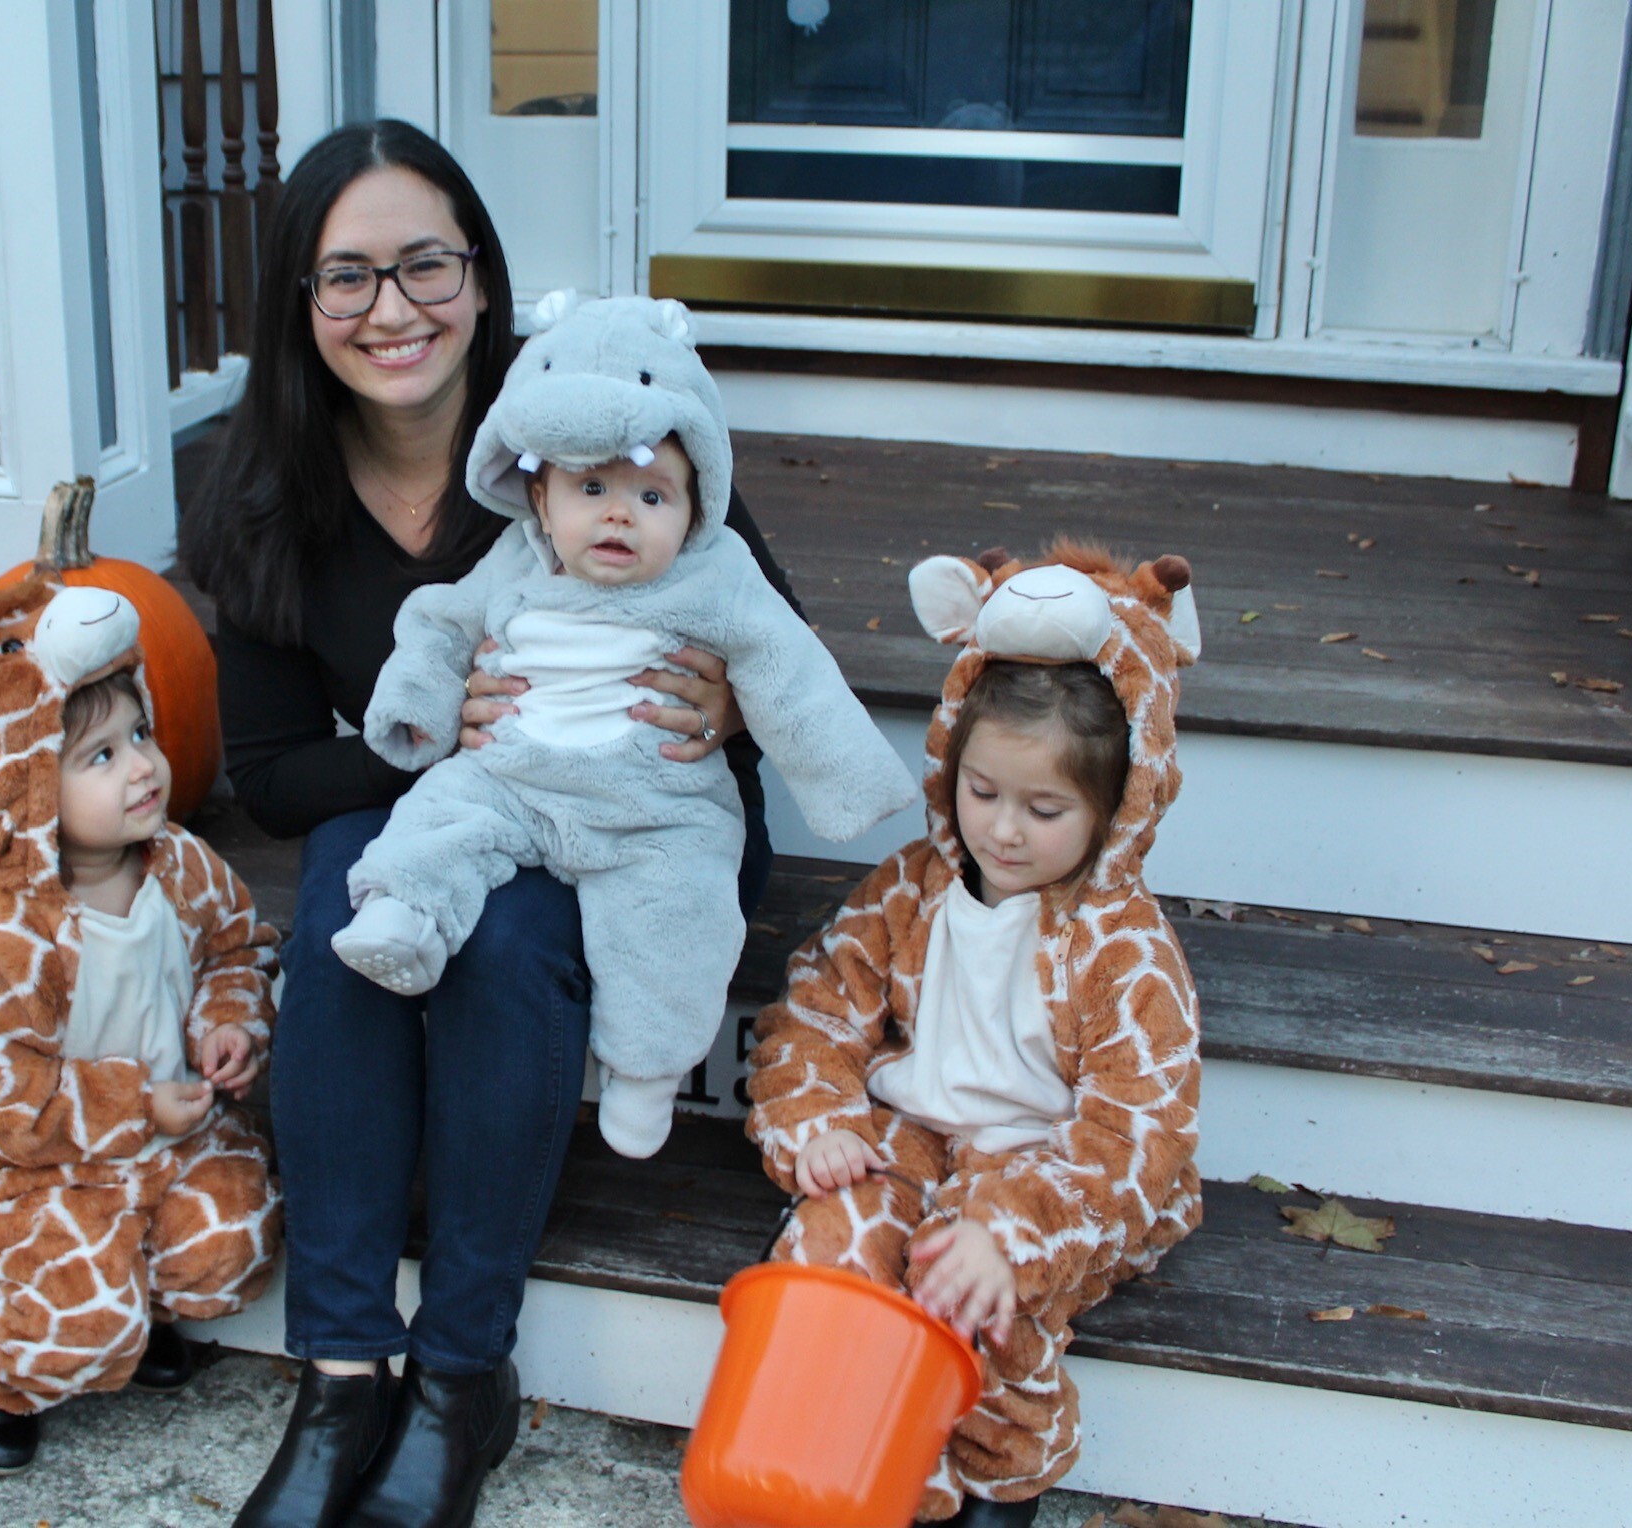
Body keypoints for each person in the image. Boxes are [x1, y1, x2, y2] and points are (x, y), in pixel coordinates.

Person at [180, 121, 801, 1528]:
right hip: (452, 809)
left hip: (645, 823)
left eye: (423, 266)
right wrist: (430, 742)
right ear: (298, 300)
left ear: (480, 272)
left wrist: (723, 698)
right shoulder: (263, 495)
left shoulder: (581, 410)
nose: (391, 311)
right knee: (349, 891)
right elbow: (273, 774)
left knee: (506, 937)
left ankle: (462, 1371)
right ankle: (341, 1370)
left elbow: (773, 641)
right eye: (347, 278)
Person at [333, 293, 915, 1160]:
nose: (617, 514)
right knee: (437, 819)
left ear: (695, 505)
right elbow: (440, 624)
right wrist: (419, 709)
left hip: (655, 802)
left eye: (651, 493)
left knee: (678, 915)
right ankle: (404, 919)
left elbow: (789, 670)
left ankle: (645, 1074)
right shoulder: (516, 556)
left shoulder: (714, 574)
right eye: (592, 488)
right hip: (514, 779)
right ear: (539, 493)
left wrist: (845, 778)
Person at [745, 543, 1207, 1526]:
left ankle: (1001, 1468)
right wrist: (818, 1114)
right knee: (835, 1235)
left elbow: (1138, 1127)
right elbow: (816, 1006)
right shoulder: (914, 886)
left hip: (1046, 1165)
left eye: (1043, 809)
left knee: (971, 1275)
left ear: (1113, 806)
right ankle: (844, 1460)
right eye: (983, 792)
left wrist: (1011, 1230)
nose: (1001, 830)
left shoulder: (1124, 952)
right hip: (916, 1134)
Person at [0, 577, 281, 1477]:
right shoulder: (7, 939)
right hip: (38, 1167)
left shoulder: (178, 864)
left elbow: (237, 949)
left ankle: (145, 1304)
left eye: (140, 735)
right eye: (98, 757)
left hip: (172, 1135)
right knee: (80, 1323)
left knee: (234, 1241)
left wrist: (229, 1022)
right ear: (21, 789)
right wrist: (137, 1108)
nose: (142, 767)